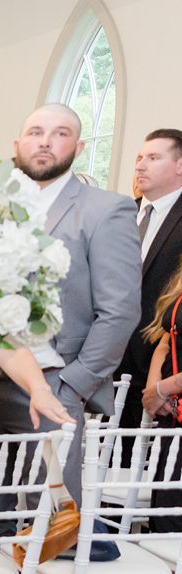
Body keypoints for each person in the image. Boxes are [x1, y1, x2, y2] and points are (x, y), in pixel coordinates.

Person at [0, 104, 140, 502]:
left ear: (79, 146)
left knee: (52, 518)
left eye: (60, 133)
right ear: (17, 143)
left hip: (55, 380)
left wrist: (74, 384)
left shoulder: (106, 209)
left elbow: (119, 310)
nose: (46, 142)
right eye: (36, 132)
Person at [117, 129, 182, 434]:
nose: (140, 165)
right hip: (110, 364)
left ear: (180, 165)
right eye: (139, 158)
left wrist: (160, 378)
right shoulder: (120, 214)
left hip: (159, 366)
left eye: (153, 158)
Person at [136, 261, 182, 574]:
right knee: (165, 517)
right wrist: (154, 389)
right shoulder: (179, 278)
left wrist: (165, 387)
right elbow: (165, 340)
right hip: (172, 418)